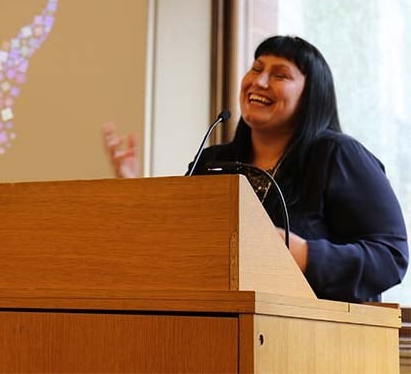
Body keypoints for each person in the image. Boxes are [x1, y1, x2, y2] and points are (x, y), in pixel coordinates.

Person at [103, 35, 408, 303]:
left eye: (280, 75)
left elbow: (391, 257)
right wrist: (134, 188)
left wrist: (303, 254)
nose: (259, 82)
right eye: (257, 68)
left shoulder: (337, 155)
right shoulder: (213, 162)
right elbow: (178, 243)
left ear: (310, 96)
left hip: (313, 344)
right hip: (213, 335)